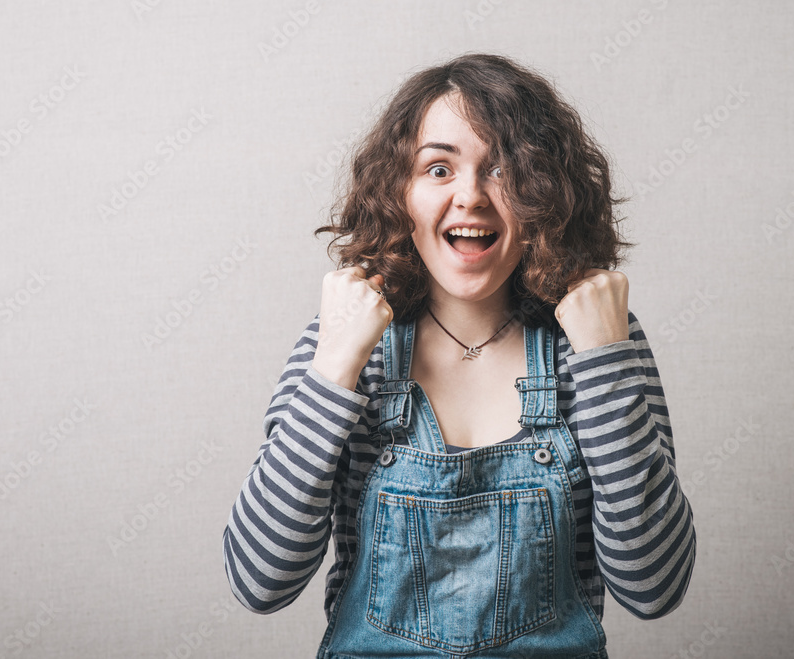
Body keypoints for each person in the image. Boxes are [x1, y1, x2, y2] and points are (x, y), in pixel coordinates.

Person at [223, 52, 696, 658]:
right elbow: (259, 581)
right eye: (438, 169)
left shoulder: (597, 342)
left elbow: (655, 586)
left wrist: (606, 361)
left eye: (502, 170)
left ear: (544, 196)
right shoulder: (347, 346)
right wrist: (332, 371)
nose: (470, 196)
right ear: (400, 195)